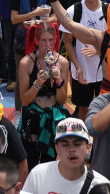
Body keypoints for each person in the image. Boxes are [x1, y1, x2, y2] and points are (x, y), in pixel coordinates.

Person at [16, 22, 69, 168]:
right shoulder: (26, 63)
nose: (48, 44)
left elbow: (62, 100)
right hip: (33, 114)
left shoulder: (63, 63)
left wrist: (58, 81)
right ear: (36, 40)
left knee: (50, 164)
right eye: (44, 40)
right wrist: (38, 83)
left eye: (51, 40)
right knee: (30, 161)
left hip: (52, 116)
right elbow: (25, 101)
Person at [20, 117, 109, 194]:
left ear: (88, 147)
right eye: (65, 145)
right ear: (57, 148)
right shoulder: (37, 175)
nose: (72, 150)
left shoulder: (101, 185)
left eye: (77, 144)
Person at [60, 0, 106, 120]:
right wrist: (77, 66)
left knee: (103, 109)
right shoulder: (73, 11)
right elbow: (67, 42)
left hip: (103, 70)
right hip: (82, 69)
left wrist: (98, 49)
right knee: (83, 108)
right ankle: (83, 139)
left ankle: (101, 141)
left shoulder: (109, 10)